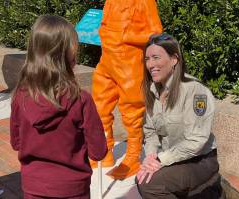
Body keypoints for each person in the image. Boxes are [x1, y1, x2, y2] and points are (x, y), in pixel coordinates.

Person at [10, 15, 107, 199]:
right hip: (73, 189)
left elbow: (16, 143)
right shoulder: (81, 100)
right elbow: (98, 152)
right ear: (69, 56)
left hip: (33, 187)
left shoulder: (19, 98)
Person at [136, 33, 224, 198]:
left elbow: (196, 140)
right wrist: (150, 157)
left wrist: (160, 160)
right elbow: (150, 131)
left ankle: (213, 189)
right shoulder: (152, 91)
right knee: (143, 176)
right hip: (172, 158)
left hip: (199, 160)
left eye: (156, 57)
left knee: (149, 184)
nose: (150, 64)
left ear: (174, 59)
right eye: (147, 59)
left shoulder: (195, 91)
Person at [91, 0, 163, 180]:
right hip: (106, 62)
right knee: (99, 108)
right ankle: (104, 152)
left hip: (129, 66)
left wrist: (127, 36)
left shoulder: (145, 2)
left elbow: (156, 34)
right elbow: (104, 25)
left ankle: (132, 158)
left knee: (132, 114)